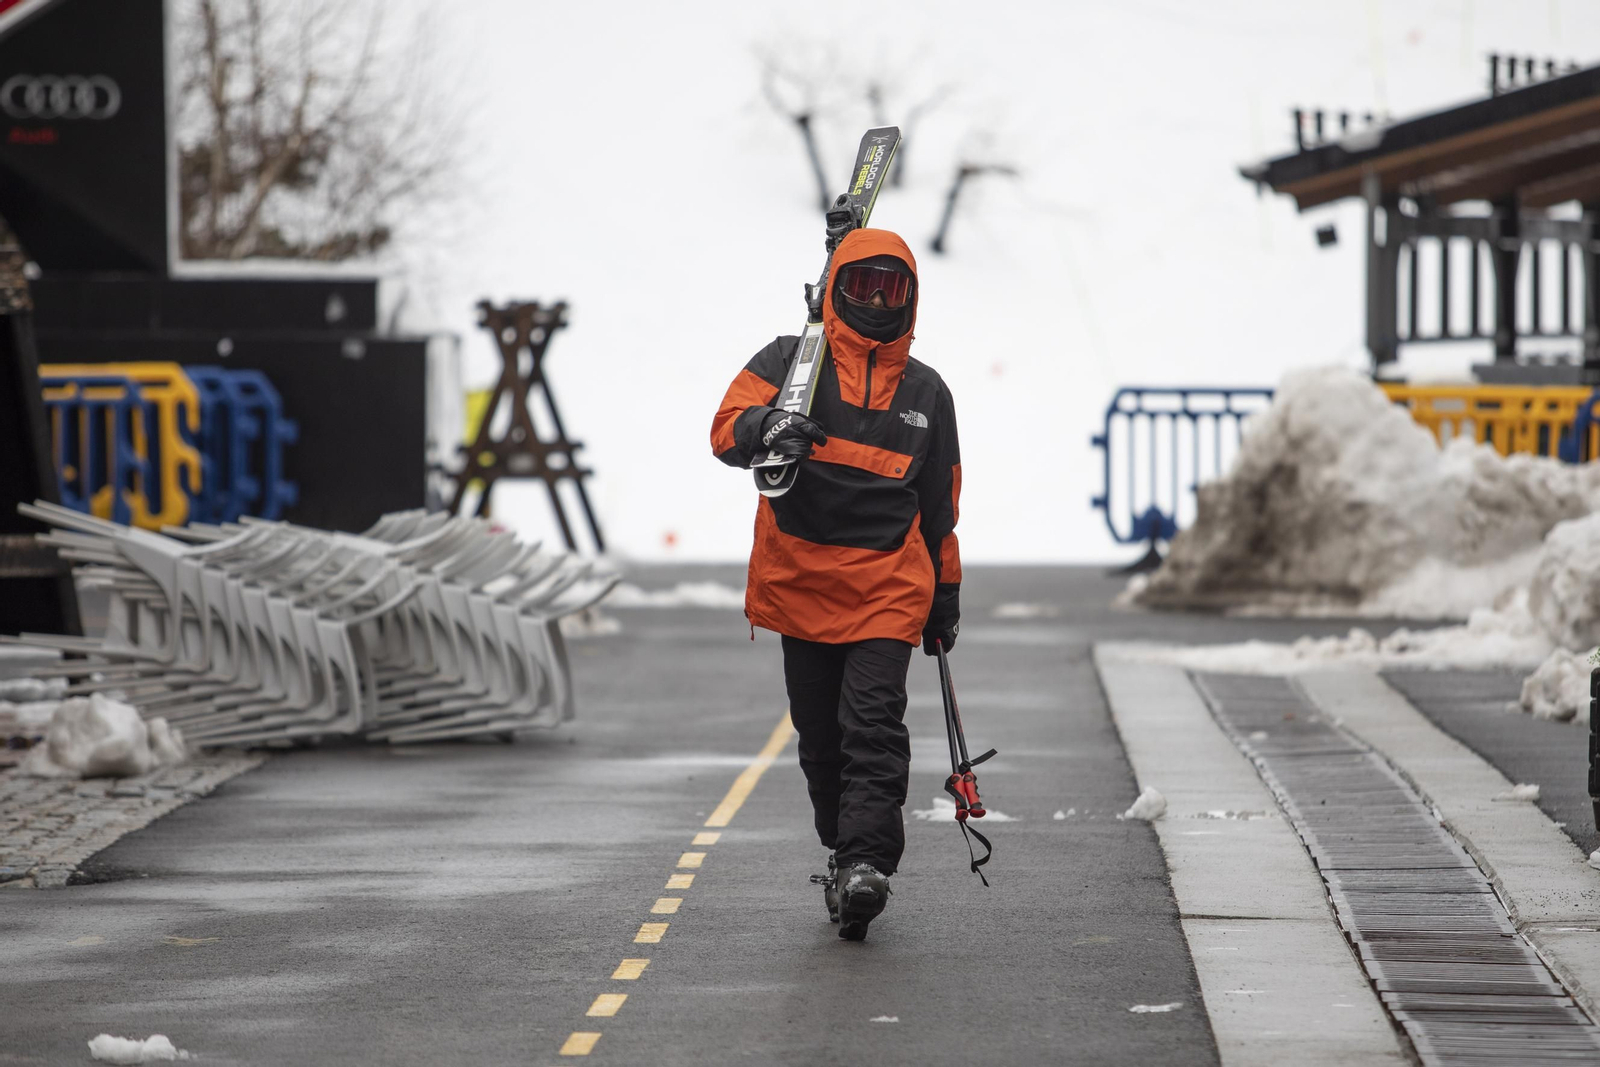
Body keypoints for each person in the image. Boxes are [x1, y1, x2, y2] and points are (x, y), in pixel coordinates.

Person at [709, 227, 961, 941]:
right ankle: (841, 841)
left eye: (893, 287)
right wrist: (769, 425)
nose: (878, 300)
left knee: (873, 727)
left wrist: (944, 599)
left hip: (888, 585)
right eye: (863, 285)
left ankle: (864, 865)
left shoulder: (927, 393)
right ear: (837, 289)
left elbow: (941, 505)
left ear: (912, 297)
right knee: (821, 739)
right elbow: (725, 428)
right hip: (801, 582)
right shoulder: (789, 363)